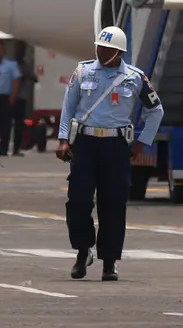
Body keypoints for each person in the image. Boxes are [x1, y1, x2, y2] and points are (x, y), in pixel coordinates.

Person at [57, 26, 164, 282]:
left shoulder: (135, 77)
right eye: (98, 46)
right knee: (79, 201)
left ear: (118, 52)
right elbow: (68, 105)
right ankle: (83, 251)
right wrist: (63, 139)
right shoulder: (83, 71)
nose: (100, 51)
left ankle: (110, 261)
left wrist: (142, 143)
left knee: (113, 204)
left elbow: (156, 111)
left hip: (116, 146)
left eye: (105, 48)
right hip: (85, 143)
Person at [12, 43, 36, 156]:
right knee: (4, 124)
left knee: (19, 124)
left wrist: (26, 76)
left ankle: (16, 148)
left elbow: (34, 78)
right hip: (10, 96)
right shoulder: (11, 65)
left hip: (21, 97)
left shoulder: (25, 66)